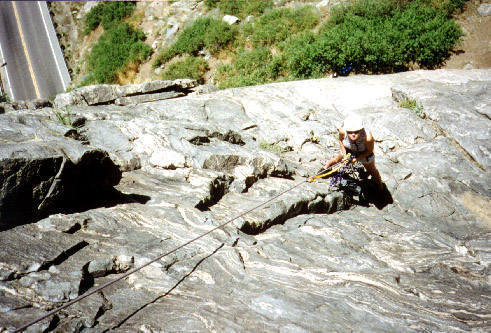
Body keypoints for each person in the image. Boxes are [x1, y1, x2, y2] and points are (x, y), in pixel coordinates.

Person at [324, 114, 383, 190]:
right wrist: (345, 155)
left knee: (372, 170)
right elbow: (341, 141)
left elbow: (369, 151)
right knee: (336, 159)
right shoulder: (342, 132)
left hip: (364, 153)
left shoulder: (368, 137)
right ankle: (325, 169)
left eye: (356, 132)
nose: (353, 135)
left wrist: (356, 159)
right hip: (349, 149)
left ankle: (380, 187)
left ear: (361, 130)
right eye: (350, 132)